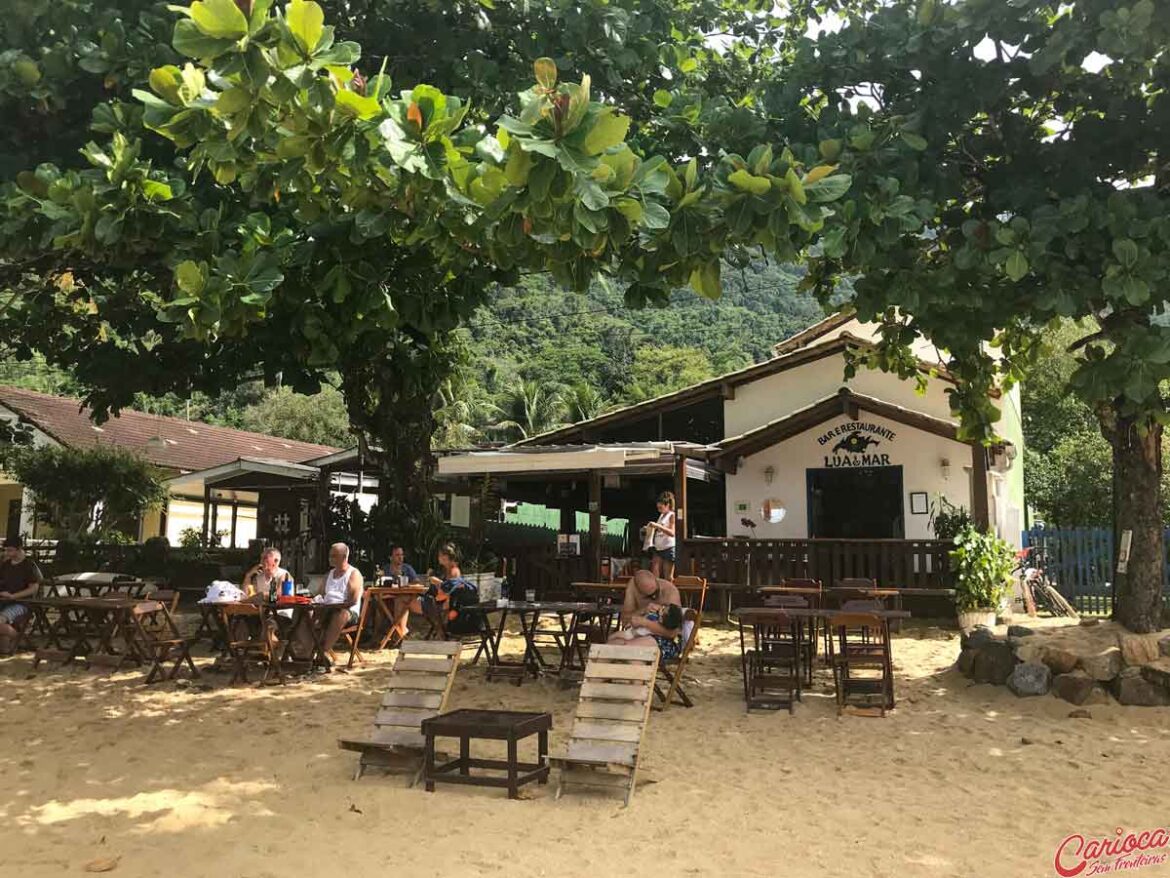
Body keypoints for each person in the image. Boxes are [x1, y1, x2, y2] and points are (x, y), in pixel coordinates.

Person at [305, 542, 364, 668]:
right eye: (330, 556)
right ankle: (304, 652)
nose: (330, 558)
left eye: (333, 556)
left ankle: (322, 652)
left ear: (343, 557)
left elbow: (352, 601)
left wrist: (336, 606)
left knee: (340, 614)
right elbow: (321, 594)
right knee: (307, 612)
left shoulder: (353, 574)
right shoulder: (329, 574)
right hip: (327, 608)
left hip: (348, 612)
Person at [607, 569, 682, 659]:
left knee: (626, 650)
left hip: (664, 640)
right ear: (638, 589)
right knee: (611, 644)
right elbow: (626, 621)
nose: (654, 597)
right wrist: (643, 610)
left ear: (656, 580)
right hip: (638, 634)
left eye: (656, 592)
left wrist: (645, 623)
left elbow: (672, 633)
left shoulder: (669, 591)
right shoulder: (633, 586)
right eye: (649, 596)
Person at [409, 543, 478, 636]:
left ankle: (401, 633)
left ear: (446, 557)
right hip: (439, 602)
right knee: (404, 599)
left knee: (405, 601)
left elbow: (444, 594)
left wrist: (437, 582)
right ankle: (401, 632)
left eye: (440, 555)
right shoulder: (447, 569)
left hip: (439, 604)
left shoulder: (453, 572)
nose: (438, 558)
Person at [0, 536, 42, 655]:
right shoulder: (5, 565)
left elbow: (33, 588)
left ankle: (18, 638)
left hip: (22, 603)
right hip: (4, 601)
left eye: (10, 550)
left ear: (19, 549)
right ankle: (11, 641)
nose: (7, 553)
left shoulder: (29, 565)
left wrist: (14, 596)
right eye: (6, 550)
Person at [644, 491, 677, 580]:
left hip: (668, 548)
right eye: (658, 508)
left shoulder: (671, 515)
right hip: (658, 548)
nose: (659, 510)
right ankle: (657, 593)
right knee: (655, 574)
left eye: (661, 507)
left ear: (667, 505)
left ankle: (670, 593)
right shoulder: (661, 516)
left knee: (668, 577)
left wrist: (657, 526)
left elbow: (672, 533)